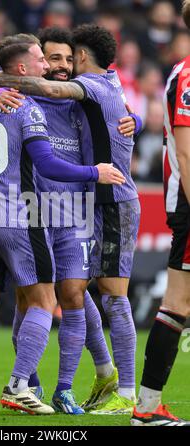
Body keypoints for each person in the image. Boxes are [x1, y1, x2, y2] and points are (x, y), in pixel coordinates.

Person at [0, 26, 139, 415]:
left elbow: (107, 107)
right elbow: (47, 157)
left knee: (70, 294)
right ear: (33, 63)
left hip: (64, 213)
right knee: (36, 301)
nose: (62, 66)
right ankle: (27, 384)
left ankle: (75, 382)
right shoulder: (28, 99)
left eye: (69, 59)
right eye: (51, 58)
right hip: (29, 214)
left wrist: (130, 117)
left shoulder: (76, 97)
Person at [131, 0, 190, 426]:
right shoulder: (187, 77)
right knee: (178, 301)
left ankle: (147, 408)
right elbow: (186, 152)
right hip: (188, 200)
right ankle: (147, 409)